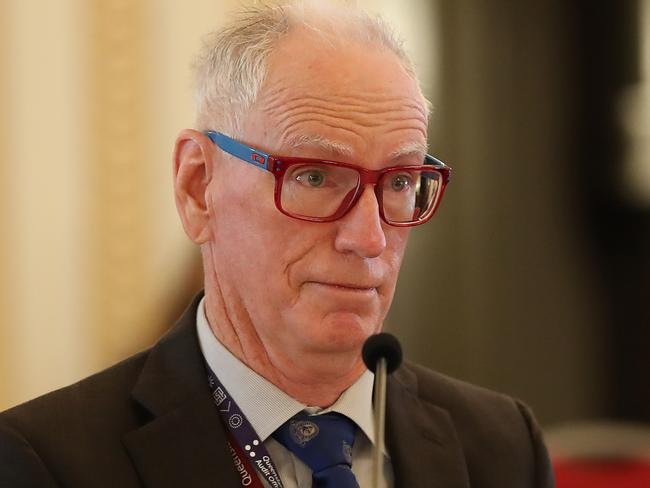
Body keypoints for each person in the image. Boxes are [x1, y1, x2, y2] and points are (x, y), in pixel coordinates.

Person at [0, 2, 554, 487]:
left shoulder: (503, 446)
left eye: (400, 182)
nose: (369, 238)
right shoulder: (49, 462)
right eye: (314, 177)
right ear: (199, 187)